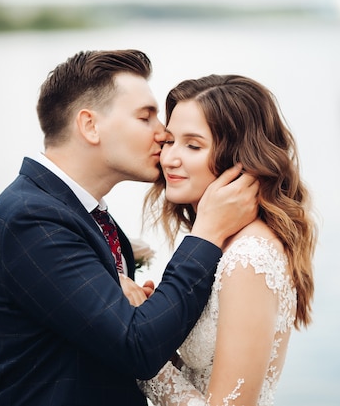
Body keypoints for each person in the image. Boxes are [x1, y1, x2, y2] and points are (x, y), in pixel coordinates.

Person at [0, 50, 259, 406]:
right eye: (146, 117)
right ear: (90, 126)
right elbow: (136, 346)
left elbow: (106, 331)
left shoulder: (83, 214)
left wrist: (148, 307)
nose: (163, 133)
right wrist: (207, 234)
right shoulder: (29, 218)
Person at [135, 75, 318, 406]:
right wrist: (146, 319)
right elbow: (197, 376)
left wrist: (140, 360)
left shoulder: (249, 257)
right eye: (170, 141)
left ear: (240, 159)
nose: (169, 158)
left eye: (193, 145)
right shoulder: (217, 243)